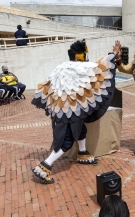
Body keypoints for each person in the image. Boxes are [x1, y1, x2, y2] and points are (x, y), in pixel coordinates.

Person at [31, 39, 122, 184]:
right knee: (66, 141)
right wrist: (113, 54)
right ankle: (44, 165)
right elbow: (101, 67)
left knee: (80, 130)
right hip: (72, 110)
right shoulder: (83, 67)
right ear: (81, 56)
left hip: (60, 108)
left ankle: (82, 152)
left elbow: (47, 83)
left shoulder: (60, 67)